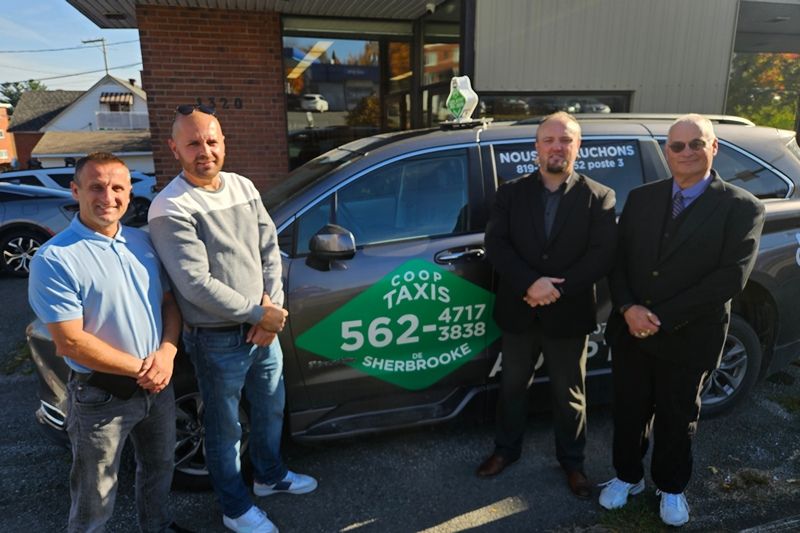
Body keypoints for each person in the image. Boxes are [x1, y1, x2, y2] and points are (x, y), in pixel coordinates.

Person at [148, 104, 317, 533]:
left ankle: (269, 477)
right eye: (192, 143)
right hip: (217, 338)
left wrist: (270, 310)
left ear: (223, 142)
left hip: (263, 328)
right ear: (174, 148)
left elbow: (269, 250)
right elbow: (195, 284)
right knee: (224, 430)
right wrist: (261, 312)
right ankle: (235, 508)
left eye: (211, 140)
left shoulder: (242, 186)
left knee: (270, 409)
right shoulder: (169, 206)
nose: (204, 150)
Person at [599, 114, 765, 527]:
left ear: (714, 149)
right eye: (677, 146)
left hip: (690, 335)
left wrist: (658, 318)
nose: (687, 152)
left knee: (677, 416)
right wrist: (627, 309)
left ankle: (672, 487)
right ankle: (627, 476)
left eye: (696, 144)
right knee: (629, 410)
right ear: (667, 152)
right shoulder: (642, 198)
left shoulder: (742, 207)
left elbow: (730, 278)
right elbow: (618, 262)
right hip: (632, 329)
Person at [28, 152, 184, 533]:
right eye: (96, 187)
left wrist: (167, 352)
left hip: (158, 386)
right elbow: (71, 342)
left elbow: (169, 304)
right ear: (76, 190)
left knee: (160, 470)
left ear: (130, 192)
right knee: (95, 496)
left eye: (117, 187)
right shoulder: (56, 259)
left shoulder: (141, 242)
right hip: (102, 398)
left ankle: (157, 528)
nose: (108, 196)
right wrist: (145, 370)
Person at [479, 112, 617, 499]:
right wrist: (530, 283)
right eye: (549, 140)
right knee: (511, 386)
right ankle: (505, 452)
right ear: (536, 147)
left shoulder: (599, 196)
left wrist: (554, 289)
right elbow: (497, 245)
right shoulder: (510, 193)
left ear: (578, 146)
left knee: (569, 392)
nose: (557, 147)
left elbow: (601, 255)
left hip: (568, 313)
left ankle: (573, 464)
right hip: (519, 308)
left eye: (566, 140)